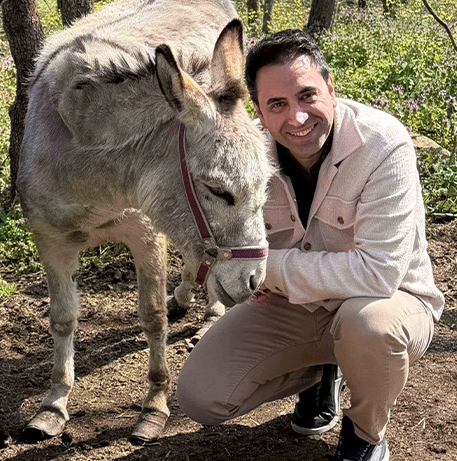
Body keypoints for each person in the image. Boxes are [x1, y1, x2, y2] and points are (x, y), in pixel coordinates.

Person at [176, 29, 443, 461]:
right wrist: (236, 269)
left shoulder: (382, 143)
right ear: (258, 111)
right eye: (277, 105)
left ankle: (365, 434)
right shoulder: (249, 154)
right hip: (297, 305)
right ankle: (325, 372)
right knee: (201, 397)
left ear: (331, 88)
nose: (297, 118)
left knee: (367, 328)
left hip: (387, 301)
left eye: (307, 96)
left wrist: (264, 267)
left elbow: (377, 273)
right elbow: (220, 237)